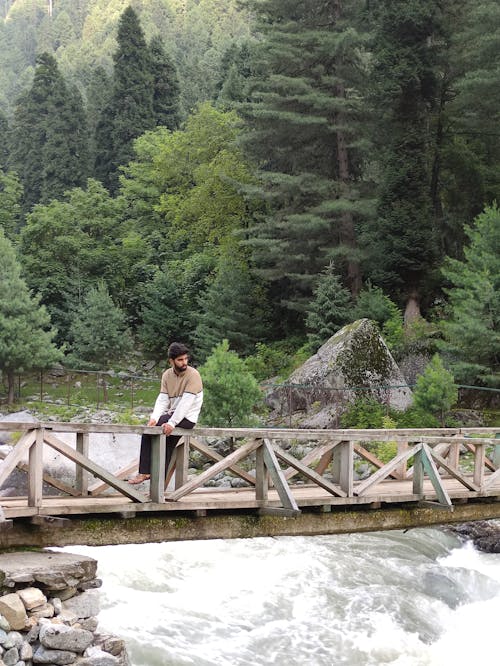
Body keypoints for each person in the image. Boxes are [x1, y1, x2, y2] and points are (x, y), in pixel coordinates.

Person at [128, 342, 203, 485]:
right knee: (156, 437)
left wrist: (171, 423)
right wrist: (154, 418)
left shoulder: (194, 375)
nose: (184, 362)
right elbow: (162, 399)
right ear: (171, 361)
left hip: (187, 417)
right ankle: (157, 487)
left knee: (155, 436)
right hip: (172, 415)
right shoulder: (167, 375)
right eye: (180, 360)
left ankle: (145, 473)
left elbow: (186, 404)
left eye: (186, 359)